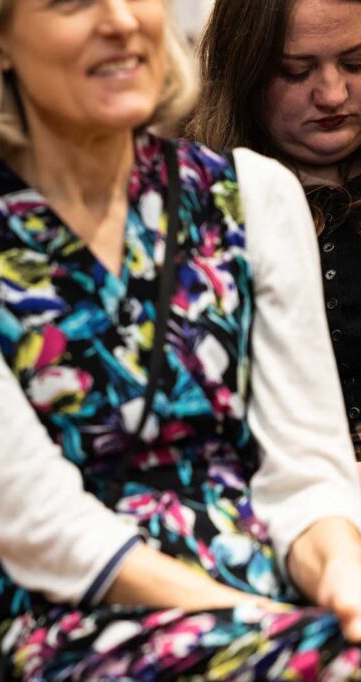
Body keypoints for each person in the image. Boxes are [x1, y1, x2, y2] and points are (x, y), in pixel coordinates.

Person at [0, 0, 361, 678]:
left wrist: (342, 579)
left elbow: (304, 474)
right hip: (74, 621)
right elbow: (46, 531)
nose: (122, 20)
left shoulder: (257, 197)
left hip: (279, 604)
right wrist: (257, 621)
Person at [187, 0, 361, 459]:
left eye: (356, 63)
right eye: (295, 72)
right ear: (243, 73)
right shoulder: (194, 199)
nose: (332, 95)